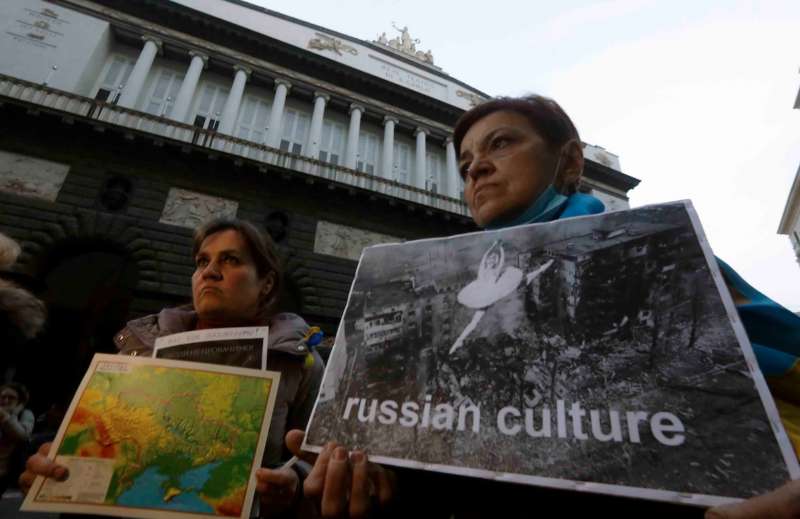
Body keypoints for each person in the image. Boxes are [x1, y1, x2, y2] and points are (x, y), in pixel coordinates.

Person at [288, 94, 800, 518]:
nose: (476, 169)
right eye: (464, 165)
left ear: (570, 161)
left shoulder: (666, 258)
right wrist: (381, 479)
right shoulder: (451, 296)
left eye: (502, 143)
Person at [19, 218, 325, 518]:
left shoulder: (300, 362)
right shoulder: (136, 348)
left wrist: (294, 486)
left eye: (230, 260)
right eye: (201, 261)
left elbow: (318, 461)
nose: (210, 272)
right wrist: (54, 466)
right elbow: (99, 447)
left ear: (266, 283)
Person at [0, 383, 34, 496]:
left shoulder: (25, 414)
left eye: (11, 397)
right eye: (3, 397)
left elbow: (22, 435)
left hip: (5, 470)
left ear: (19, 401)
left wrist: (8, 416)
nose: (6, 400)